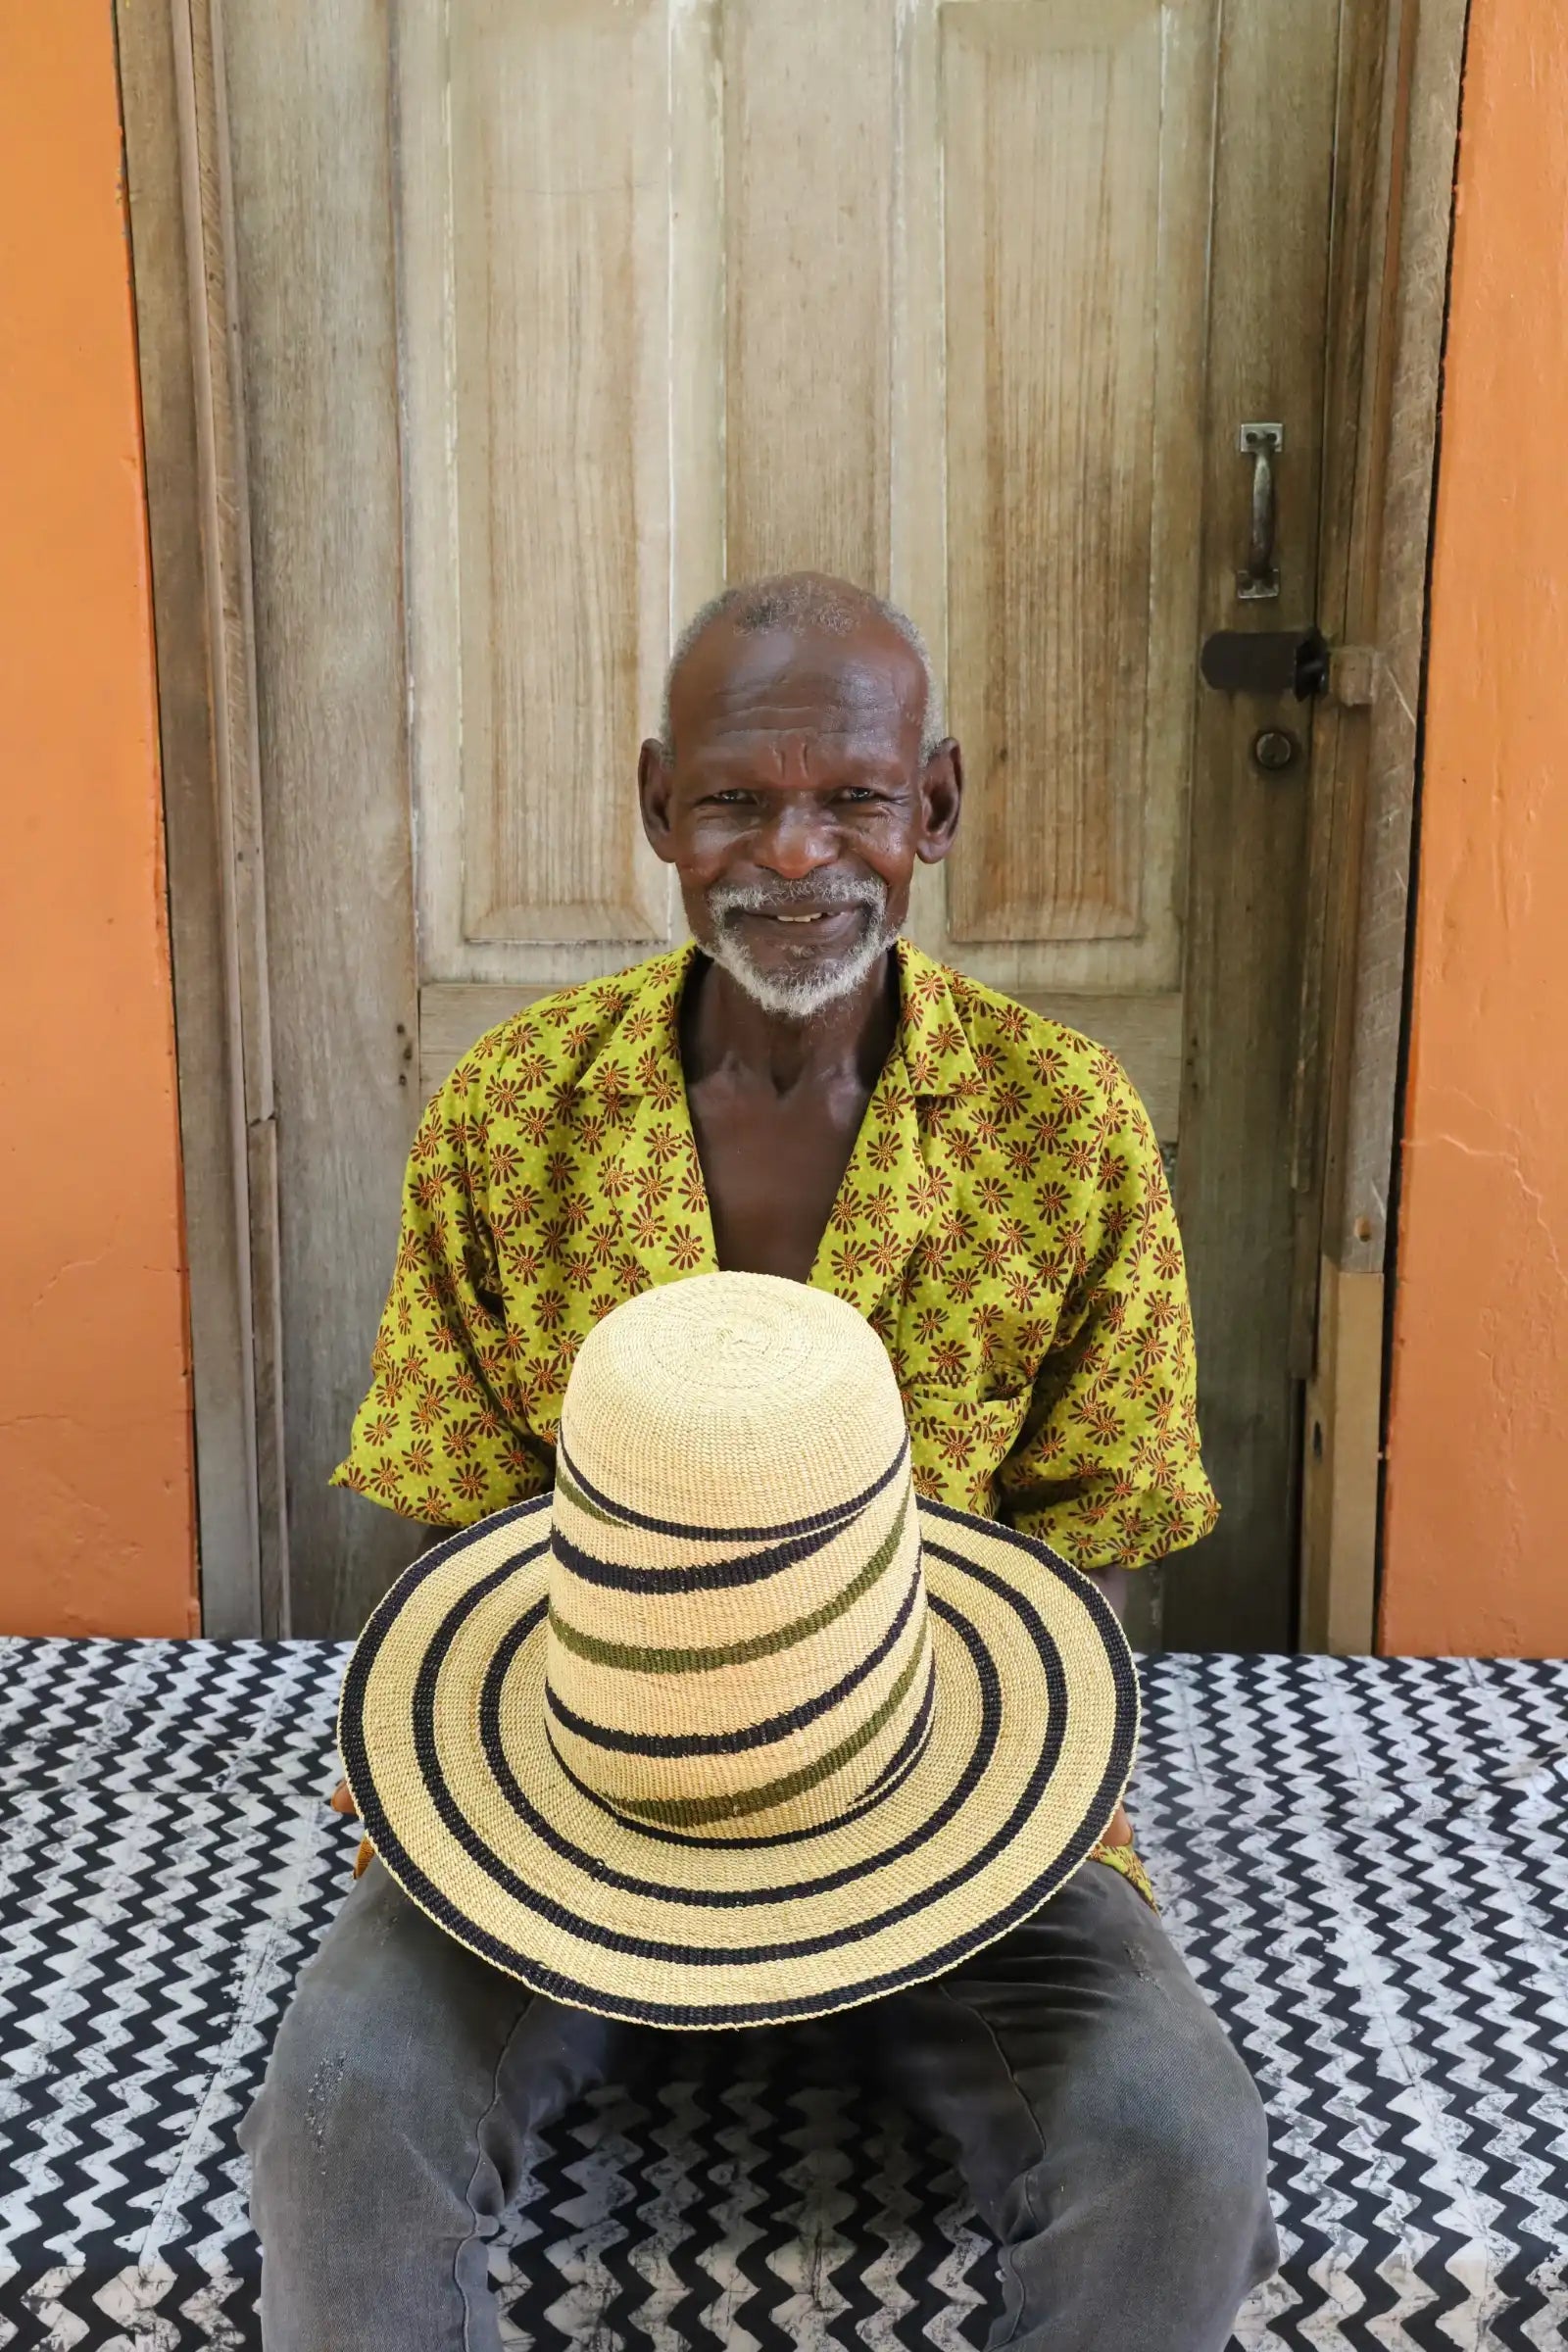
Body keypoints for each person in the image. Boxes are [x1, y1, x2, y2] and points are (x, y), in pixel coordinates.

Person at [242, 574, 1278, 2347]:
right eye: (735, 798)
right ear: (657, 806)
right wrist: (565, 1802)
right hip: (578, 1792)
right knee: (333, 2143)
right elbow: (447, 1523)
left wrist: (941, 1798)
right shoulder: (512, 1112)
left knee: (1181, 2162)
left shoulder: (1066, 1125)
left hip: (940, 1786)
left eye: (853, 798)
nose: (795, 856)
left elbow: (1104, 1545)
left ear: (934, 806)